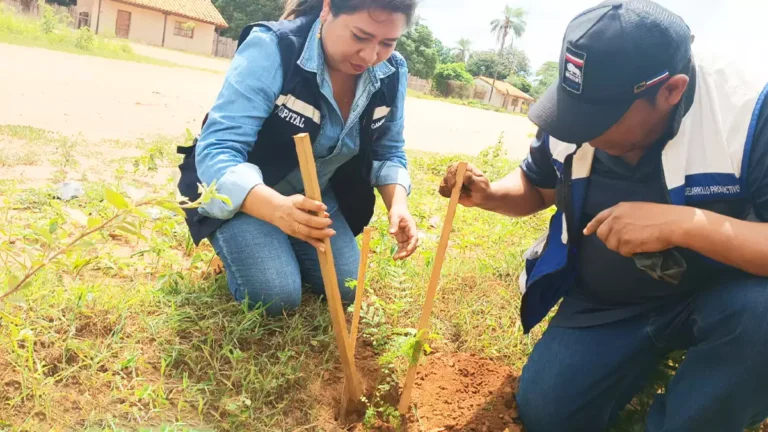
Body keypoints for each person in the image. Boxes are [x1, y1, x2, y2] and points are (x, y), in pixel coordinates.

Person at [439, 0, 768, 430]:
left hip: (719, 297)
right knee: (548, 415)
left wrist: (683, 225)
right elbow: (536, 187)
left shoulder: (745, 113)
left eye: (598, 117)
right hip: (607, 304)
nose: (577, 128)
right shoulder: (574, 112)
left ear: (671, 91)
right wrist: (488, 193)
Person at [176, 0, 419, 317]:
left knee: (348, 287)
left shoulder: (392, 72)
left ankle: (275, 244)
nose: (370, 56)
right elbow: (220, 148)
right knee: (274, 297)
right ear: (328, 9)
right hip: (249, 190)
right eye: (360, 36)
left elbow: (389, 150)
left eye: (387, 42)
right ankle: (237, 240)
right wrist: (275, 210)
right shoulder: (272, 47)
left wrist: (398, 205)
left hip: (314, 193)